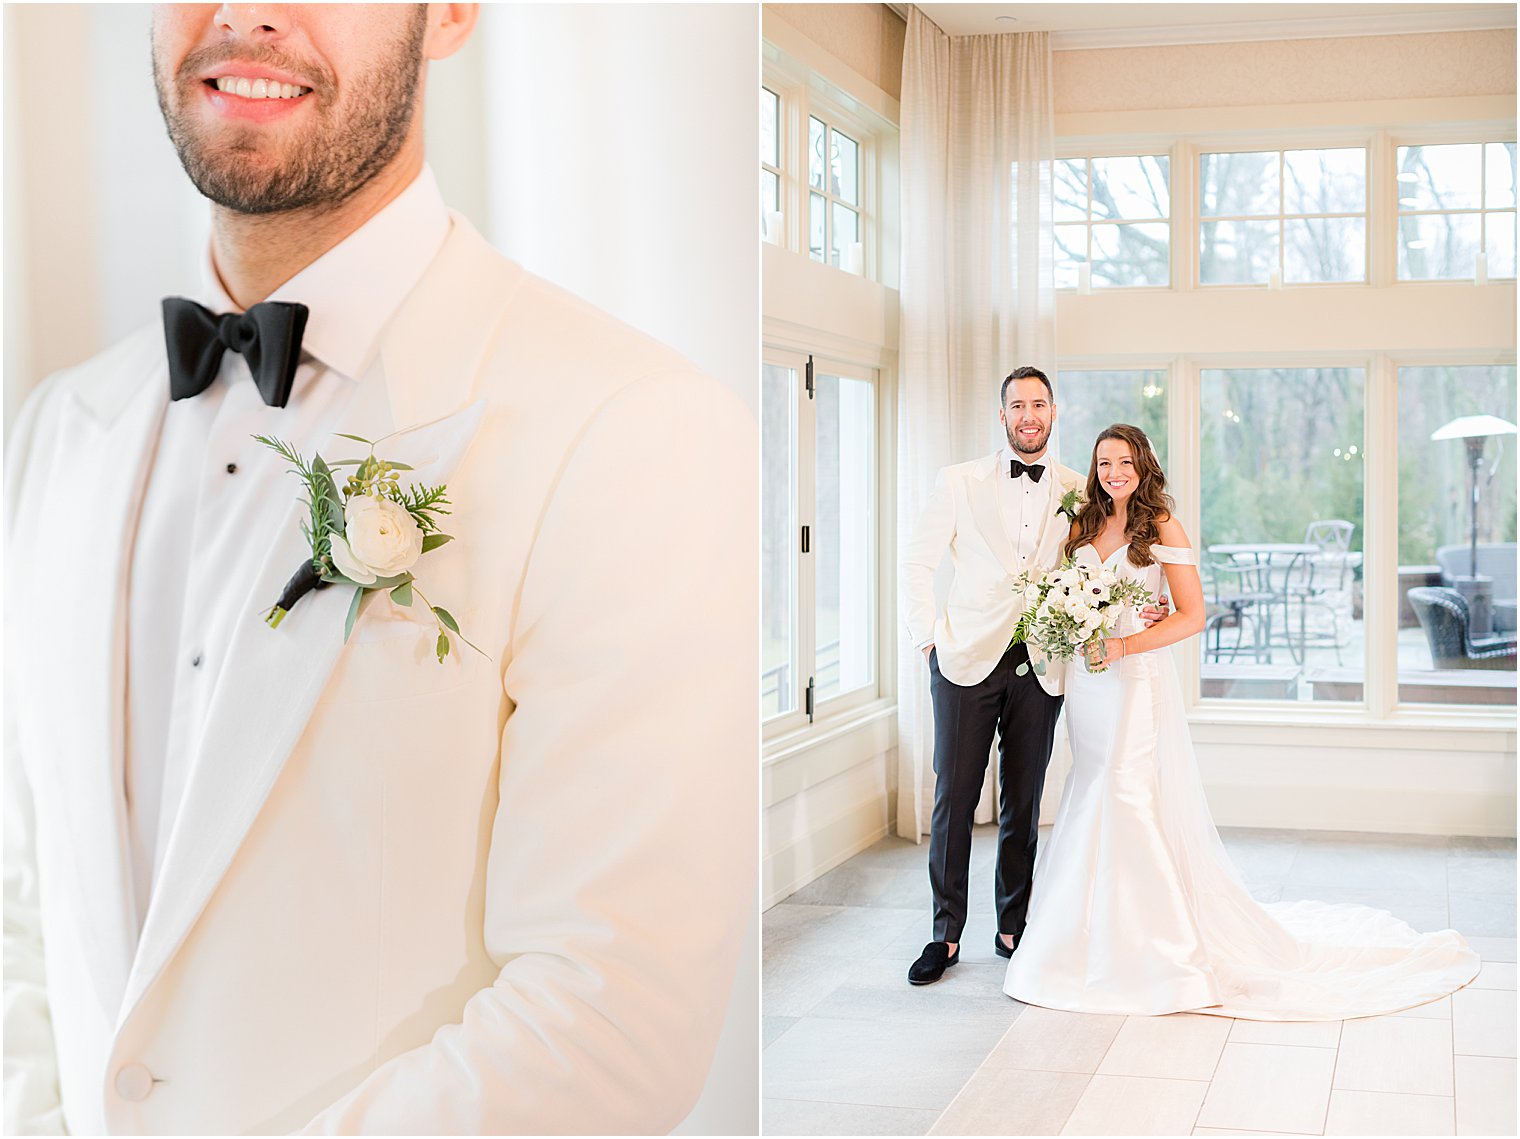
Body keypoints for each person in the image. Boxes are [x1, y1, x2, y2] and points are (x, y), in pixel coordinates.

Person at [4, 5, 753, 1134]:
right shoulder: (56, 429)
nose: (246, 12)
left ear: (448, 13)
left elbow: (611, 1014)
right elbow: (26, 907)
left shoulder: (631, 425)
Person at [1003, 423, 1479, 1018]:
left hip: (1132, 680)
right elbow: (1056, 591)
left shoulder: (1162, 527)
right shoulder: (1082, 525)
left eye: (1124, 462)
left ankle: (1155, 951)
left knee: (1124, 791)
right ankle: (1081, 941)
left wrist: (1128, 642)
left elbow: (1193, 615)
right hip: (1087, 686)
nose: (1113, 472)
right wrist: (1069, 624)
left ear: (1143, 465)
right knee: (1090, 786)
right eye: (1103, 463)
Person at [900, 367, 1168, 986]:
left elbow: (1107, 564)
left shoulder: (1081, 489)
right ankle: (944, 936)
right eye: (1017, 405)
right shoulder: (958, 482)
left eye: (1039, 404)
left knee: (1024, 801)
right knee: (955, 798)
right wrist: (928, 641)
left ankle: (1012, 926)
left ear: (1054, 413)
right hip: (963, 659)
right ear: (1002, 416)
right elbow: (916, 562)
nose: (1029, 415)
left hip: (1042, 663)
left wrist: (1141, 606)